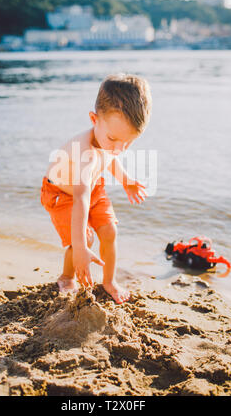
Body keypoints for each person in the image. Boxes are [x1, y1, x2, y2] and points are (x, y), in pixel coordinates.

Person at [40, 73, 152, 304]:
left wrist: (126, 180)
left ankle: (109, 281)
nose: (120, 148)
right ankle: (67, 276)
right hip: (61, 193)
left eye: (128, 142)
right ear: (94, 119)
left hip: (93, 187)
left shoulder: (109, 140)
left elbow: (111, 157)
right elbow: (80, 198)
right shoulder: (84, 152)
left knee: (110, 231)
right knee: (85, 239)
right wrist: (81, 248)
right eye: (114, 140)